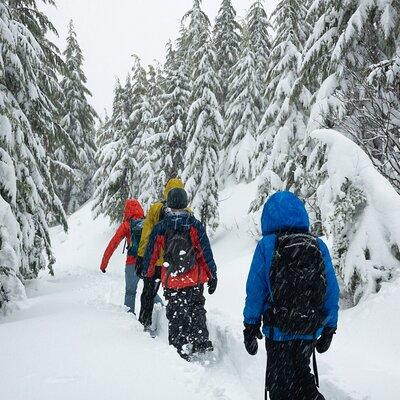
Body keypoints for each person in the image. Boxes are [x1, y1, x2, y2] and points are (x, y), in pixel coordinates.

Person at [243, 191, 339, 400]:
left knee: (281, 385)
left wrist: (250, 325)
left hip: (278, 329)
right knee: (303, 376)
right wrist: (330, 327)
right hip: (308, 327)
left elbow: (255, 290)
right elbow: (331, 289)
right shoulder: (317, 245)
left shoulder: (267, 246)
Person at [142, 187, 218, 360]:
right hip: (194, 278)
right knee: (197, 307)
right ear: (185, 203)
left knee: (176, 312)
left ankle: (179, 346)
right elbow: (205, 253)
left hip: (172, 279)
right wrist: (212, 275)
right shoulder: (195, 225)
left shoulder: (161, 227)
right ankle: (200, 340)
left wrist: (148, 272)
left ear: (168, 204)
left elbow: (151, 253)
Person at [135, 178, 185, 330]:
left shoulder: (156, 208)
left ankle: (144, 322)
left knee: (148, 293)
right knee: (176, 296)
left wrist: (141, 257)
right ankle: (176, 328)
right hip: (176, 264)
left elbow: (146, 235)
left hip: (156, 262)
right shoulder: (187, 212)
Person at [100, 199, 162, 314]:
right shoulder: (147, 222)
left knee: (130, 292)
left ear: (126, 211)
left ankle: (130, 320)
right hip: (147, 262)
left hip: (132, 264)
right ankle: (162, 311)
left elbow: (113, 244)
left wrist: (103, 264)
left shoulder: (126, 225)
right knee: (150, 291)